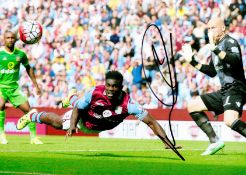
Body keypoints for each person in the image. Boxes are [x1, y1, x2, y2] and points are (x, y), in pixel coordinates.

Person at [17, 70, 180, 149]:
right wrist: (73, 125)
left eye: (114, 86)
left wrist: (168, 144)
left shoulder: (129, 104)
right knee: (59, 123)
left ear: (121, 87)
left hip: (98, 125)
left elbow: (151, 122)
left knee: (78, 103)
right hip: (83, 120)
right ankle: (33, 116)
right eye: (108, 85)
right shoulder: (94, 92)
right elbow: (78, 110)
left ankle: (71, 97)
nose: (110, 89)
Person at [181, 17, 246, 155]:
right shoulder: (213, 47)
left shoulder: (230, 42)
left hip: (236, 88)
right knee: (193, 106)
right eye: (208, 29)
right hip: (224, 90)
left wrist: (215, 49)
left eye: (213, 28)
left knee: (230, 121)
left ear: (222, 28)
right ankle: (215, 141)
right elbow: (211, 71)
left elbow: (235, 60)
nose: (210, 31)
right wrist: (192, 61)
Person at [0, 29, 43, 144]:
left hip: (14, 88)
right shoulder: (0, 54)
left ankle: (33, 137)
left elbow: (28, 68)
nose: (10, 40)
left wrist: (36, 85)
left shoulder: (21, 54)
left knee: (28, 110)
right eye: (8, 38)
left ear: (15, 39)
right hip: (1, 87)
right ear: (3, 40)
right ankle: (1, 134)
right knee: (0, 105)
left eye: (12, 38)